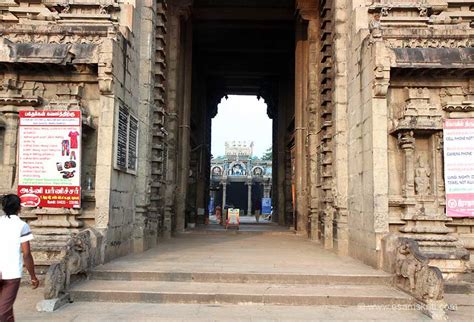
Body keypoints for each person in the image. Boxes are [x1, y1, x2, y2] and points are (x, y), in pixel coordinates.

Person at [0, 194, 39, 322]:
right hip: (12, 273)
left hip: (7, 272)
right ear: (19, 208)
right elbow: (26, 253)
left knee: (5, 308)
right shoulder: (22, 226)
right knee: (3, 312)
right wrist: (33, 276)